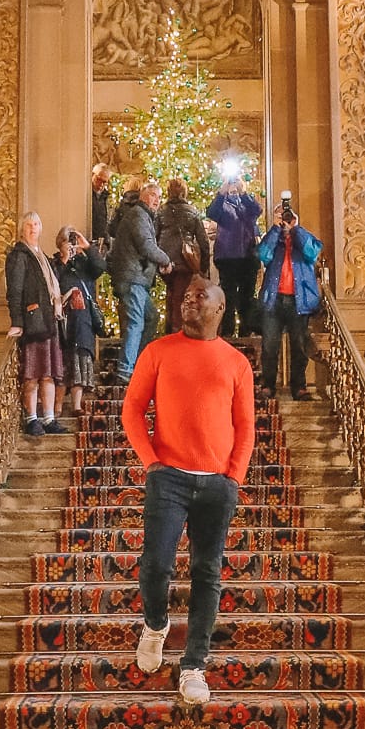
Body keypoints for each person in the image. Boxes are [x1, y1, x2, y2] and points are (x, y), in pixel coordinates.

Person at [122, 273, 256, 704]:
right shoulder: (158, 351)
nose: (190, 301)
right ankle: (156, 625)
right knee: (156, 565)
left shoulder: (236, 362)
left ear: (219, 308)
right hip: (170, 478)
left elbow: (245, 425)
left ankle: (194, 665)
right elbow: (132, 409)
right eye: (187, 296)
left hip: (217, 483)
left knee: (207, 572)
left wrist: (234, 476)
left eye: (202, 296)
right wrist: (152, 463)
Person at [256, 195, 323, 399]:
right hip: (274, 300)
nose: (284, 219)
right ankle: (268, 386)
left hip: (299, 300)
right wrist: (275, 229)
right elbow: (262, 254)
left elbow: (312, 253)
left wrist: (296, 229)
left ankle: (299, 387)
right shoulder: (273, 241)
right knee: (269, 345)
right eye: (281, 216)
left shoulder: (304, 238)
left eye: (287, 216)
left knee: (299, 346)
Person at [5, 209, 66, 434]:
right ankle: (32, 418)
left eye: (36, 225)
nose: (33, 228)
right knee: (31, 374)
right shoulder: (19, 256)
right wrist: (17, 322)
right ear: (22, 229)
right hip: (32, 323)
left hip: (49, 321)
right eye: (29, 225)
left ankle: (49, 418)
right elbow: (15, 291)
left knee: (48, 373)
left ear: (41, 229)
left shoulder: (43, 257)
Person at [108, 177, 171, 381]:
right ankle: (126, 369)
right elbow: (146, 245)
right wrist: (166, 260)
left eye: (160, 197)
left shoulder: (143, 216)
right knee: (136, 322)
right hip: (133, 277)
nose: (157, 200)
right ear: (144, 195)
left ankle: (138, 362)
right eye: (153, 195)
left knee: (151, 318)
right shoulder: (138, 215)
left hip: (138, 278)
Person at [54, 224, 106, 416]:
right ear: (60, 244)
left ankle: (77, 405)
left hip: (83, 319)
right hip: (63, 319)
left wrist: (87, 248)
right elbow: (53, 285)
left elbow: (101, 267)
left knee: (81, 356)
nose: (72, 246)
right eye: (68, 242)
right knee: (63, 359)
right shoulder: (55, 264)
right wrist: (65, 260)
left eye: (74, 242)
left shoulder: (84, 264)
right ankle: (57, 406)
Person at [205, 164, 261, 339]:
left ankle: (246, 331)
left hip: (247, 258)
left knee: (247, 298)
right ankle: (227, 332)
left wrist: (243, 192)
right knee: (228, 297)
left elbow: (256, 210)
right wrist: (221, 192)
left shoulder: (247, 205)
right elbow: (211, 212)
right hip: (227, 258)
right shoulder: (222, 206)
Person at [156, 175, 212, 332]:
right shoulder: (192, 212)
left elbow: (154, 236)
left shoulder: (161, 211)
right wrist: (203, 268)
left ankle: (169, 329)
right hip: (184, 261)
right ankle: (177, 331)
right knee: (180, 297)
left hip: (165, 260)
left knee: (172, 294)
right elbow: (203, 241)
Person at [89, 162, 113, 245]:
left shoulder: (106, 196)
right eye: (99, 179)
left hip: (101, 240)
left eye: (104, 182)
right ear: (93, 175)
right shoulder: (86, 194)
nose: (101, 184)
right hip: (88, 238)